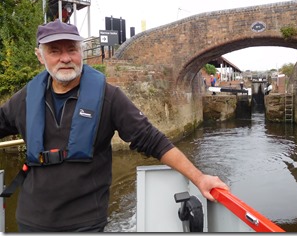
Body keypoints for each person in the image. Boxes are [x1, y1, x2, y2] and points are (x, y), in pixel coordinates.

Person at [0, 19, 229, 232]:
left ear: (81, 53)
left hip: (85, 223)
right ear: (40, 56)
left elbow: (152, 140)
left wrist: (199, 178)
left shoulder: (108, 97)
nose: (65, 58)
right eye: (54, 51)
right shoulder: (25, 99)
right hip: (32, 220)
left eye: (72, 49)